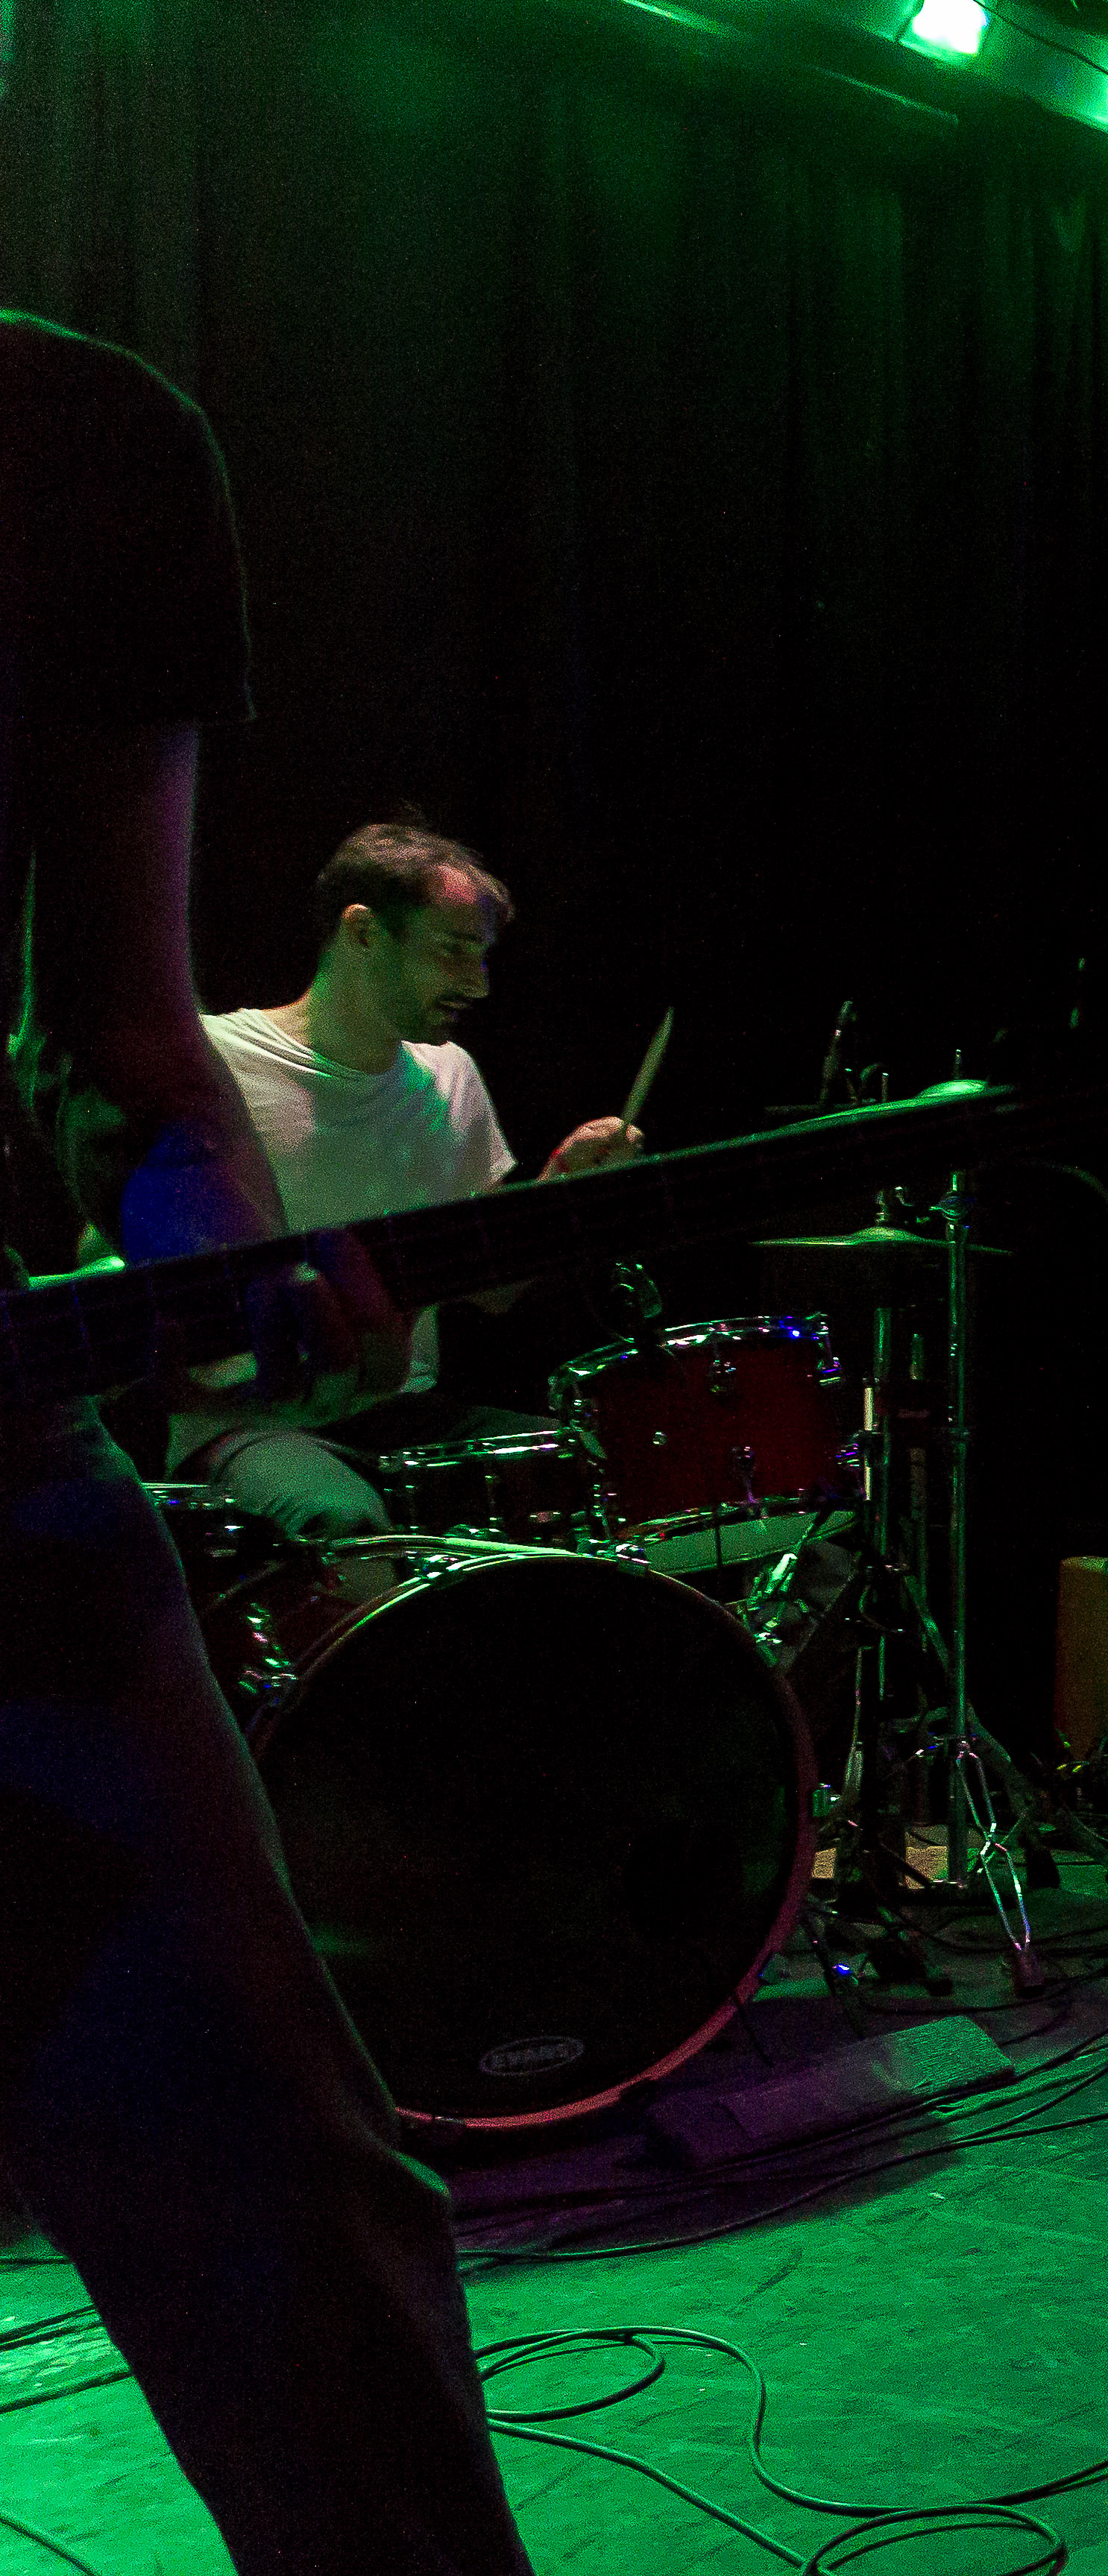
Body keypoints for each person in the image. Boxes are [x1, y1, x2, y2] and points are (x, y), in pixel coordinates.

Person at [0, 312, 534, 2569]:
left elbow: (114, 1054)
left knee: (284, 2190)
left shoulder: (74, 438)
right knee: (278, 2196)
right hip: (101, 1477)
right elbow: (137, 1046)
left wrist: (233, 1263)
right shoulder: (79, 435)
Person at [165, 822, 639, 1538]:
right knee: (340, 1516)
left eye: (482, 957)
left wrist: (561, 1191)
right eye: (453, 951)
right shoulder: (214, 1061)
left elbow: (489, 1290)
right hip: (249, 1419)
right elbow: (113, 1259)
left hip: (403, 1411)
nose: (478, 984)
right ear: (362, 933)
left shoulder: (450, 1075)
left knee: (588, 1474)